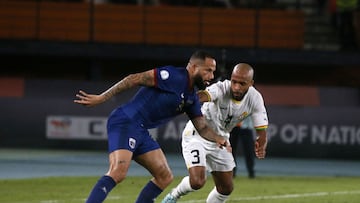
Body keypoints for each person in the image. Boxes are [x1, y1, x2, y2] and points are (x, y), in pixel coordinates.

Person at [74, 50, 229, 203]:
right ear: (194, 67)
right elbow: (133, 79)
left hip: (140, 129)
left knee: (164, 176)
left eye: (213, 72)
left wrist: (217, 138)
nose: (211, 76)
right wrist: (102, 97)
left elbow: (201, 127)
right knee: (118, 172)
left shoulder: (191, 98)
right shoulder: (173, 76)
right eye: (208, 71)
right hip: (126, 121)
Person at [161, 63, 268, 203]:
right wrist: (186, 100)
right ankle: (173, 196)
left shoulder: (255, 98)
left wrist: (262, 140)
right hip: (197, 134)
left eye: (242, 83)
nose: (236, 87)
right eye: (234, 81)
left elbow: (261, 129)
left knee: (226, 188)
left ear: (251, 83)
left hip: (220, 140)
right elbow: (203, 95)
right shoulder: (221, 88)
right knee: (197, 181)